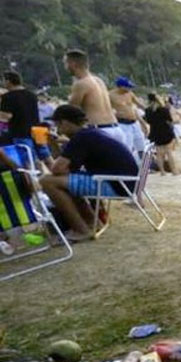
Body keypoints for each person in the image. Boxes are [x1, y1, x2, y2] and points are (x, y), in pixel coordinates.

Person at [40, 104, 138, 241]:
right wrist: (54, 144)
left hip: (116, 184)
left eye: (57, 124)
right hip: (125, 182)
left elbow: (57, 169)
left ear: (65, 122)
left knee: (47, 182)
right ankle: (92, 223)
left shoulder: (81, 138)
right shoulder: (90, 133)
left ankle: (81, 230)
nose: (57, 129)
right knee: (62, 182)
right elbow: (63, 169)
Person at [63, 49, 122, 145]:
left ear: (73, 64)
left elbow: (70, 111)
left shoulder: (81, 84)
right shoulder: (99, 80)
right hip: (115, 127)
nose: (65, 67)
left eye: (66, 63)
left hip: (99, 130)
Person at [1, 71, 52, 171]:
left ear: (8, 81)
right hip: (38, 130)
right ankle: (56, 174)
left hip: (21, 132)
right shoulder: (31, 94)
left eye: (3, 80)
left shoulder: (8, 97)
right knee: (47, 157)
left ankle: (37, 179)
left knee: (29, 161)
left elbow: (6, 116)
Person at [108, 76, 149, 158]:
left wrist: (148, 111)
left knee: (141, 144)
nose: (129, 89)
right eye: (127, 87)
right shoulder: (110, 95)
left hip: (134, 122)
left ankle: (145, 162)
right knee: (127, 146)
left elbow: (139, 104)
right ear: (121, 87)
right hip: (123, 124)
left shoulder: (130, 93)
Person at [143, 93, 178, 175]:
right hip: (165, 131)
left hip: (154, 132)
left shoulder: (148, 110)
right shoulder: (163, 109)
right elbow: (170, 119)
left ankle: (162, 171)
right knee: (168, 152)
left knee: (159, 153)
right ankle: (174, 171)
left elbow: (147, 121)